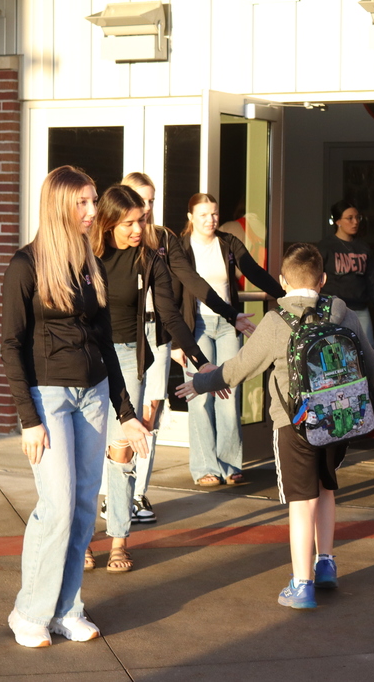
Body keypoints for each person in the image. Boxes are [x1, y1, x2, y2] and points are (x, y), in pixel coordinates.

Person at [176, 243, 374, 608]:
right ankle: (325, 564)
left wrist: (200, 384)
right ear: (323, 280)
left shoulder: (277, 322)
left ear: (281, 281)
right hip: (337, 421)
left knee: (300, 501)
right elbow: (369, 359)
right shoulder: (341, 312)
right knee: (326, 490)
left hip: (293, 424)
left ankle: (301, 584)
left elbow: (240, 368)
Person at [0, 166, 150, 648]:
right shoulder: (26, 265)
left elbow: (106, 342)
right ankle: (29, 613)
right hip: (50, 398)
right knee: (58, 506)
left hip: (93, 395)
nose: (92, 212)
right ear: (60, 205)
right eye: (83, 203)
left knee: (85, 505)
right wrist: (28, 419)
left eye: (92, 201)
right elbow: (11, 345)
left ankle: (67, 609)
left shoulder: (90, 264)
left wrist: (125, 411)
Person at [87, 184, 212, 572]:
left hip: (128, 359)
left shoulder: (147, 257)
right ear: (109, 223)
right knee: (87, 453)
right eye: (130, 223)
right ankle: (83, 538)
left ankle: (119, 540)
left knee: (123, 451)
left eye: (141, 219)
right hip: (87, 360)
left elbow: (170, 314)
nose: (139, 228)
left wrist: (202, 361)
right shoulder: (85, 256)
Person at [119, 172, 255, 515]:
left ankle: (137, 494)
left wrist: (230, 314)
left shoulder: (163, 238)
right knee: (124, 419)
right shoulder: (107, 241)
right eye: (139, 199)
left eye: (151, 200)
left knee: (151, 416)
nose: (146, 208)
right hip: (123, 338)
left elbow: (189, 282)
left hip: (161, 334)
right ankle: (117, 494)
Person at [176, 193, 285, 487]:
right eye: (203, 215)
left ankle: (230, 465)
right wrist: (176, 341)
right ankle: (204, 467)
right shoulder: (181, 248)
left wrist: (285, 297)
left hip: (227, 325)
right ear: (190, 218)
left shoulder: (228, 243)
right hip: (195, 326)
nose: (210, 220)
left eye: (213, 214)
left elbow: (253, 271)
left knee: (229, 392)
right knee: (199, 397)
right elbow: (174, 293)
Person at [318, 199, 374, 346]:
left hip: (360, 308)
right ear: (338, 221)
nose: (355, 222)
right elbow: (316, 277)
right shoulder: (326, 246)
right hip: (333, 309)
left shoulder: (363, 247)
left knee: (366, 350)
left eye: (357, 218)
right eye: (350, 218)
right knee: (334, 350)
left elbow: (372, 281)